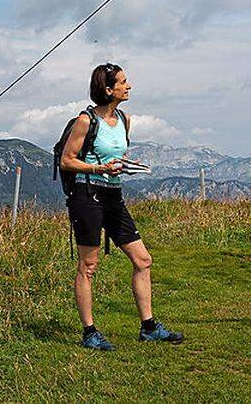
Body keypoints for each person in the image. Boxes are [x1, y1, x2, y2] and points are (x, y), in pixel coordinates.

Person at [59, 62, 183, 351]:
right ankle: (90, 332)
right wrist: (99, 168)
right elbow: (67, 160)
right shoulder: (86, 121)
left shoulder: (125, 119)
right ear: (107, 89)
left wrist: (123, 167)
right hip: (87, 195)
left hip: (113, 196)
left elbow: (114, 158)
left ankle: (148, 328)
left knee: (143, 260)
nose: (129, 86)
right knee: (88, 266)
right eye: (123, 82)